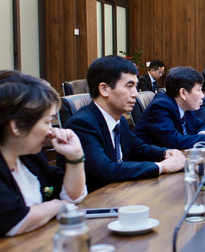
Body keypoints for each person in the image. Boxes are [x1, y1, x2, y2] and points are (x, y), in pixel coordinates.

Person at [64, 56, 186, 192]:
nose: (135, 94)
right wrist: (161, 167)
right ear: (104, 89)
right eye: (129, 87)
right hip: (93, 202)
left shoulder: (119, 120)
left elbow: (139, 149)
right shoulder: (82, 124)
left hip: (120, 193)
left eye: (136, 86)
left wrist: (166, 153)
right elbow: (106, 170)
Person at [0, 71, 87, 236]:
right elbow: (14, 221)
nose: (51, 131)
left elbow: (71, 197)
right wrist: (56, 206)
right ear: (17, 126)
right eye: (47, 121)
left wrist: (75, 157)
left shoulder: (29, 156)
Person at [134, 66, 205, 149]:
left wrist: (203, 133)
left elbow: (202, 125)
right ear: (183, 93)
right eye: (199, 90)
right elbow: (173, 141)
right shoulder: (161, 107)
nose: (202, 95)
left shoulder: (186, 107)